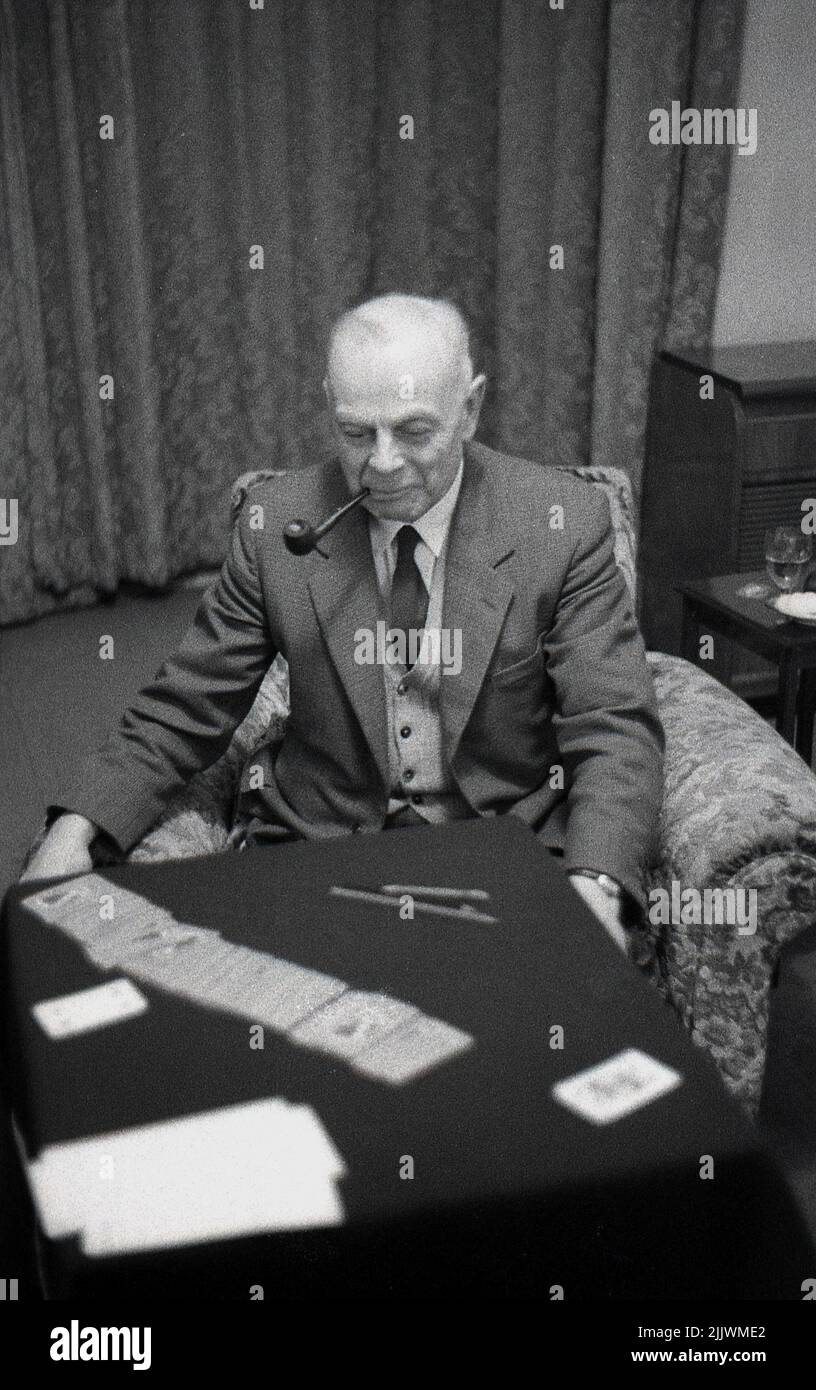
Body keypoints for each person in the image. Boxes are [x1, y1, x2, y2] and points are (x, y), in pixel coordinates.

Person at [22, 293, 664, 951]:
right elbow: (184, 707)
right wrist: (73, 833)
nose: (383, 464)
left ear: (470, 408)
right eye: (357, 433)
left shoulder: (563, 522)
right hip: (320, 847)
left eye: (415, 431)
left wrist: (596, 883)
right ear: (331, 404)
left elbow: (611, 722)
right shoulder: (276, 524)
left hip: (504, 846)